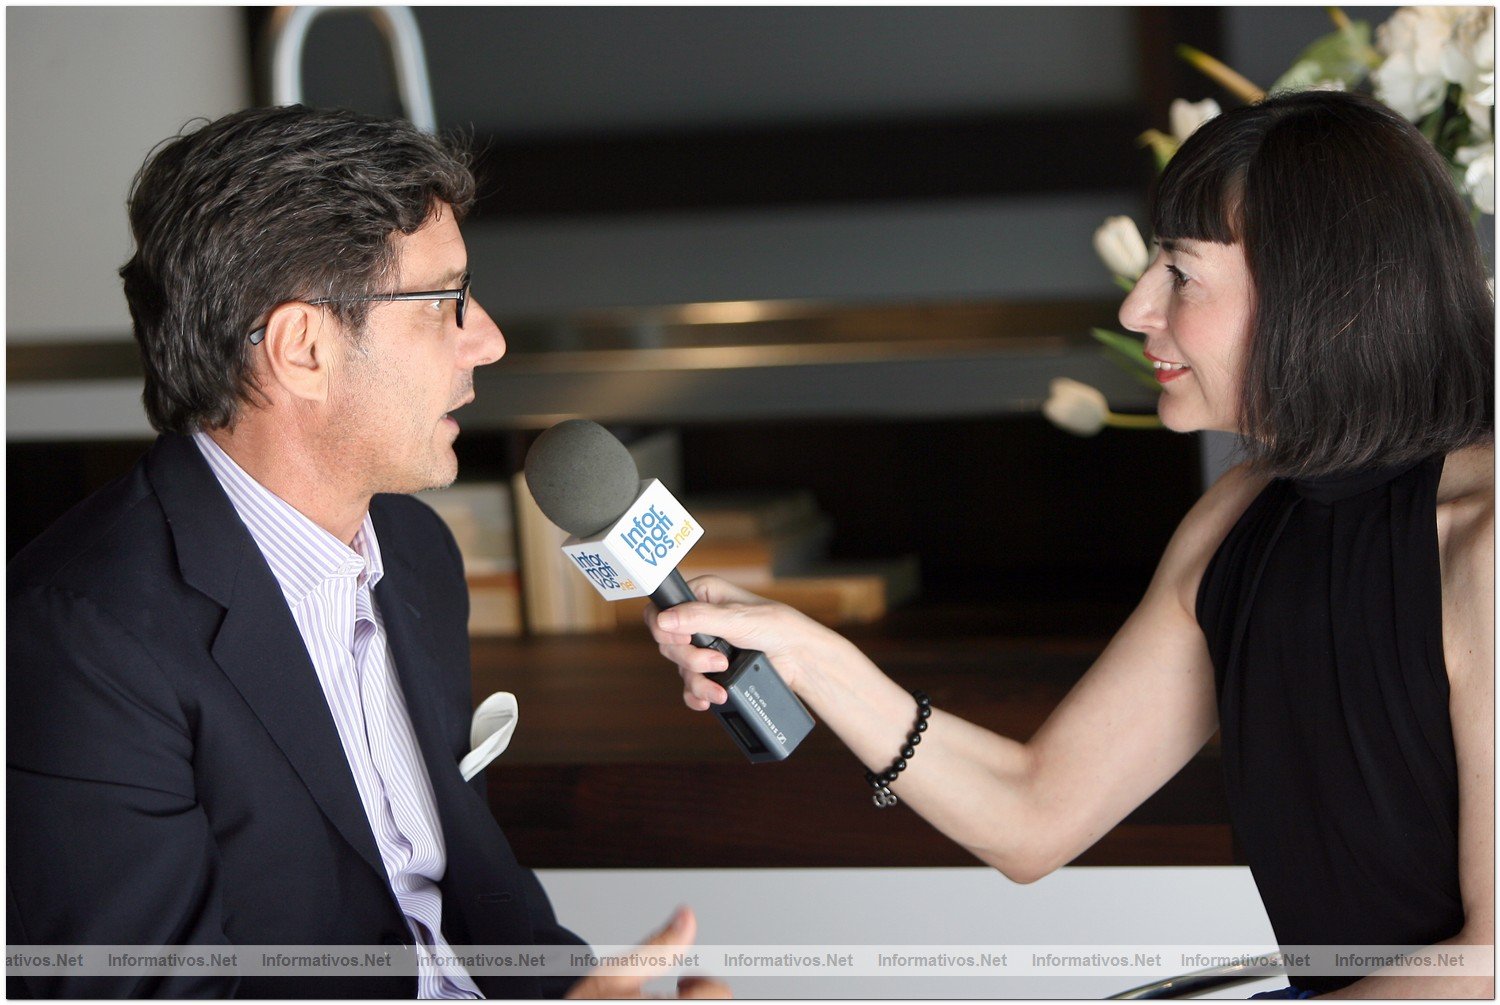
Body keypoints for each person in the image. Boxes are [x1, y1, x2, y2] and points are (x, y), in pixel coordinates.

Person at [648, 89, 1494, 998]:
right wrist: (812, 656)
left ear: (1315, 293)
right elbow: (1033, 814)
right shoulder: (1242, 515)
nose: (1136, 307)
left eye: (1180, 270)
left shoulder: (1482, 552)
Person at [8, 105, 726, 1000]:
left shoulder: (418, 551)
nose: (489, 339)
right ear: (304, 348)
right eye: (445, 302)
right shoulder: (80, 641)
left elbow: (470, 910)